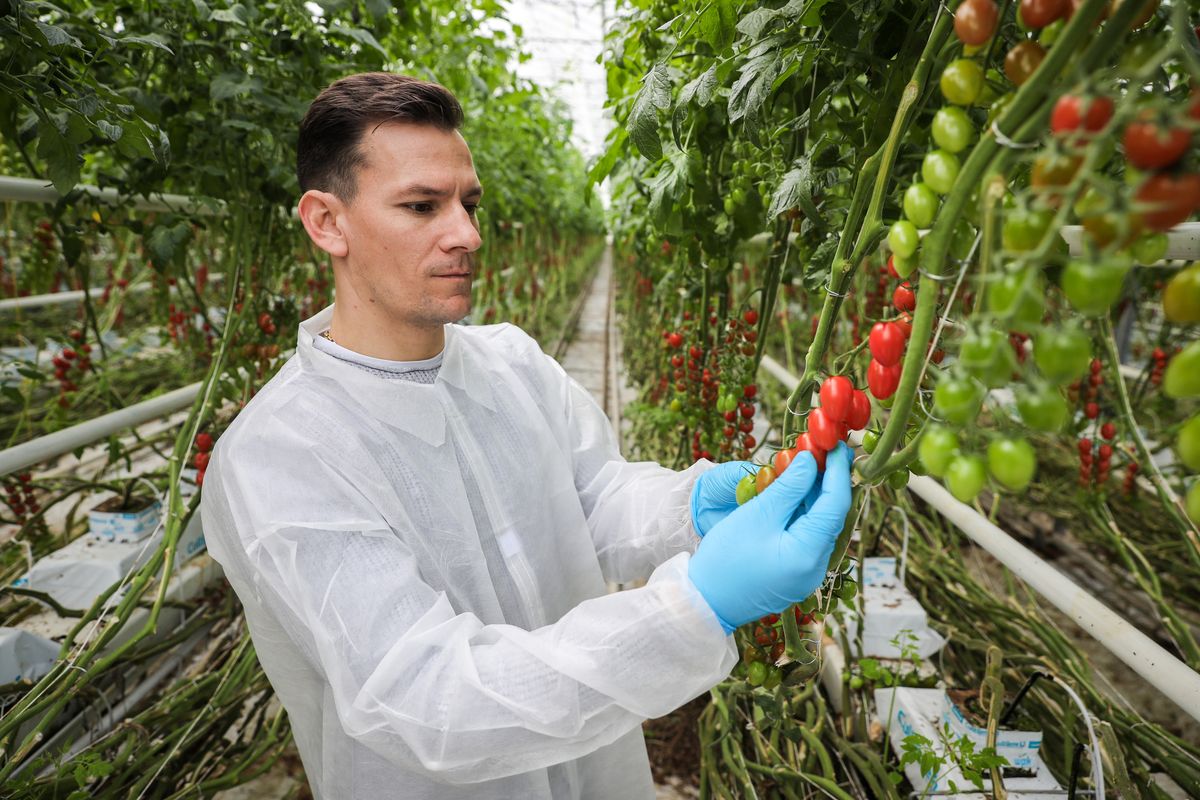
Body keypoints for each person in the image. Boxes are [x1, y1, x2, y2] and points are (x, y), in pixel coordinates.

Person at [199, 72, 853, 800]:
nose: (467, 235)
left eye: (468, 204)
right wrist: (694, 605)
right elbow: (430, 700)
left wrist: (691, 503)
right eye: (421, 206)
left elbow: (592, 498)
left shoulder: (509, 361)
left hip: (595, 768)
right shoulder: (280, 456)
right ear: (327, 222)